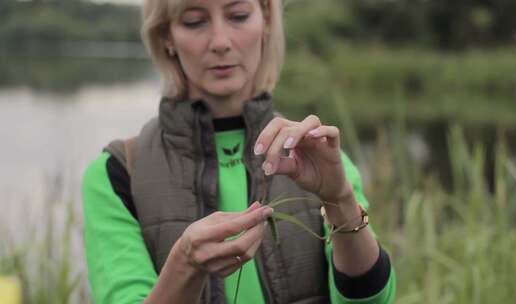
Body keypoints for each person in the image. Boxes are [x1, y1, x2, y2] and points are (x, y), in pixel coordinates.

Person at [81, 0, 396, 303]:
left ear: (267, 20)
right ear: (166, 36)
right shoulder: (117, 174)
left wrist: (340, 200)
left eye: (238, 15)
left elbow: (372, 301)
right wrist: (184, 267)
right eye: (195, 21)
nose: (220, 41)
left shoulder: (318, 157)